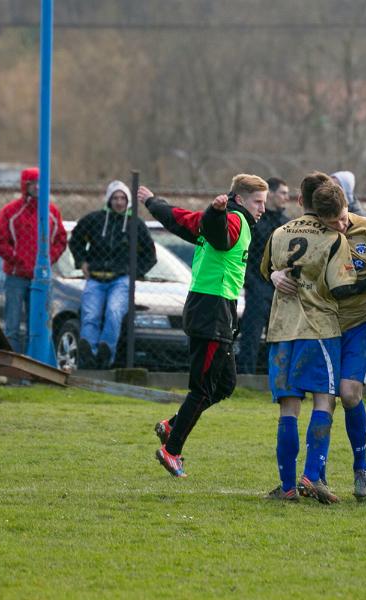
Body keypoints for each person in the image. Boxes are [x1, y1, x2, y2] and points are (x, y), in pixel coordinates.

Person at [139, 174, 267, 478]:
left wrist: (153, 202)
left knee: (225, 384)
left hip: (217, 309)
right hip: (211, 310)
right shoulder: (233, 220)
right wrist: (215, 212)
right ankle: (172, 450)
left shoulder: (237, 221)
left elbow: (178, 218)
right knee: (203, 388)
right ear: (239, 199)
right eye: (257, 202)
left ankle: (171, 425)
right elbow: (219, 234)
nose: (262, 208)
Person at [261, 176, 366, 503]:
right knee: (325, 399)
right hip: (319, 328)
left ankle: (286, 486)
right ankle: (312, 476)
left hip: (282, 328)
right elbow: (340, 288)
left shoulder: (280, 232)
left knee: (288, 407)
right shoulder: (333, 239)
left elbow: (263, 268)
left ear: (302, 200)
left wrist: (274, 274)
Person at [69, 180, 157, 369]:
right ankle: (88, 355)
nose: (119, 202)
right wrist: (81, 262)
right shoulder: (94, 220)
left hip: (120, 280)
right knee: (90, 315)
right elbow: (75, 239)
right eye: (115, 198)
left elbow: (150, 255)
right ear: (109, 200)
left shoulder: (136, 225)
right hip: (95, 278)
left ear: (128, 201)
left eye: (122, 198)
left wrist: (135, 273)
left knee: (113, 313)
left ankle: (105, 353)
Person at [0, 167, 68, 354]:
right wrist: (18, 259)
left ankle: (34, 366)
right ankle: (13, 369)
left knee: (38, 326)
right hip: (16, 278)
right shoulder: (11, 211)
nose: (37, 187)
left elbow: (61, 240)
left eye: (40, 183)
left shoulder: (51, 212)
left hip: (41, 278)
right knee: (13, 327)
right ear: (25, 185)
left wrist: (48, 259)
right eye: (32, 183)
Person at [237, 176, 290, 374]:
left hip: (280, 288)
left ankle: (273, 378)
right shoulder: (255, 222)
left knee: (276, 337)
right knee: (251, 335)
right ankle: (245, 376)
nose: (286, 197)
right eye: (282, 193)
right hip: (257, 286)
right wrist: (251, 282)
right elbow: (248, 256)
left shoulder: (286, 224)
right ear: (272, 194)